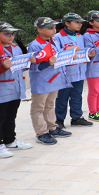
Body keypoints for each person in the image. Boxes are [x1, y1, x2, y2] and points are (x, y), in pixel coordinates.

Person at [28, 17, 72, 145]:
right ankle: (41, 133)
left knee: (50, 105)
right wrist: (47, 63)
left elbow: (60, 54)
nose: (54, 30)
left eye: (54, 28)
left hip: (54, 79)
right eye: (50, 28)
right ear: (39, 30)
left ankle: (52, 128)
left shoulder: (54, 41)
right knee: (38, 108)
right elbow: (32, 65)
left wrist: (69, 55)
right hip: (41, 81)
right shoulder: (35, 44)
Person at [54, 13, 96, 129]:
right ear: (67, 23)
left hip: (79, 71)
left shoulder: (80, 37)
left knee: (77, 95)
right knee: (62, 97)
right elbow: (56, 53)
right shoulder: (58, 37)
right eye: (77, 22)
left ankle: (77, 117)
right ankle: (59, 120)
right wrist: (66, 49)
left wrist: (89, 53)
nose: (80, 25)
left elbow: (83, 52)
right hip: (65, 73)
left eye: (81, 22)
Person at [0, 22, 34, 158]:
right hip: (2, 89)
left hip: (15, 88)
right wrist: (2, 66)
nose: (10, 36)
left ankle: (10, 140)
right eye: (6, 33)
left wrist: (29, 62)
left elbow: (21, 67)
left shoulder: (16, 48)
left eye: (12, 33)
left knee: (11, 116)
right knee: (0, 117)